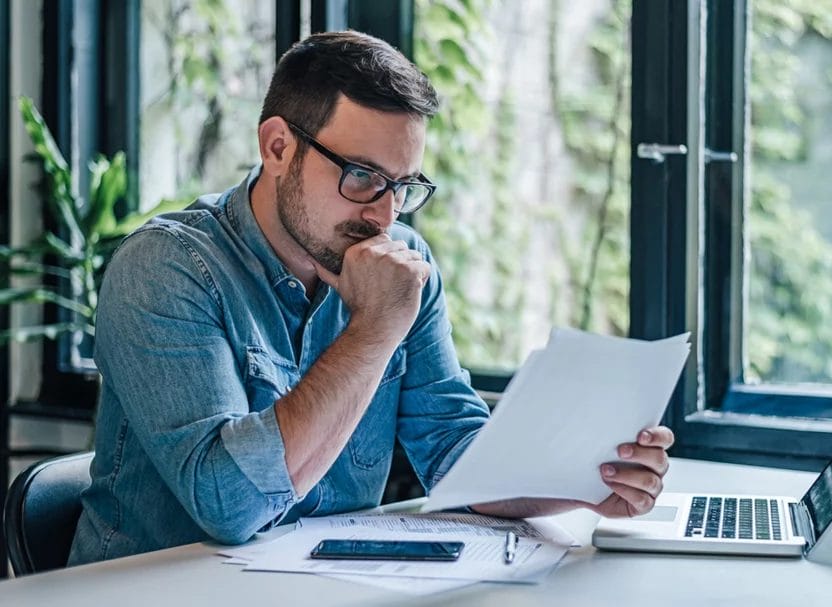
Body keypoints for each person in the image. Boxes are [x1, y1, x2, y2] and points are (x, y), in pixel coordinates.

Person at [68, 30, 674, 565]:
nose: (383, 214)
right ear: (278, 147)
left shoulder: (405, 264)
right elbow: (230, 506)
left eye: (403, 186)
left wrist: (590, 482)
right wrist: (374, 328)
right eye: (361, 176)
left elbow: (454, 454)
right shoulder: (167, 268)